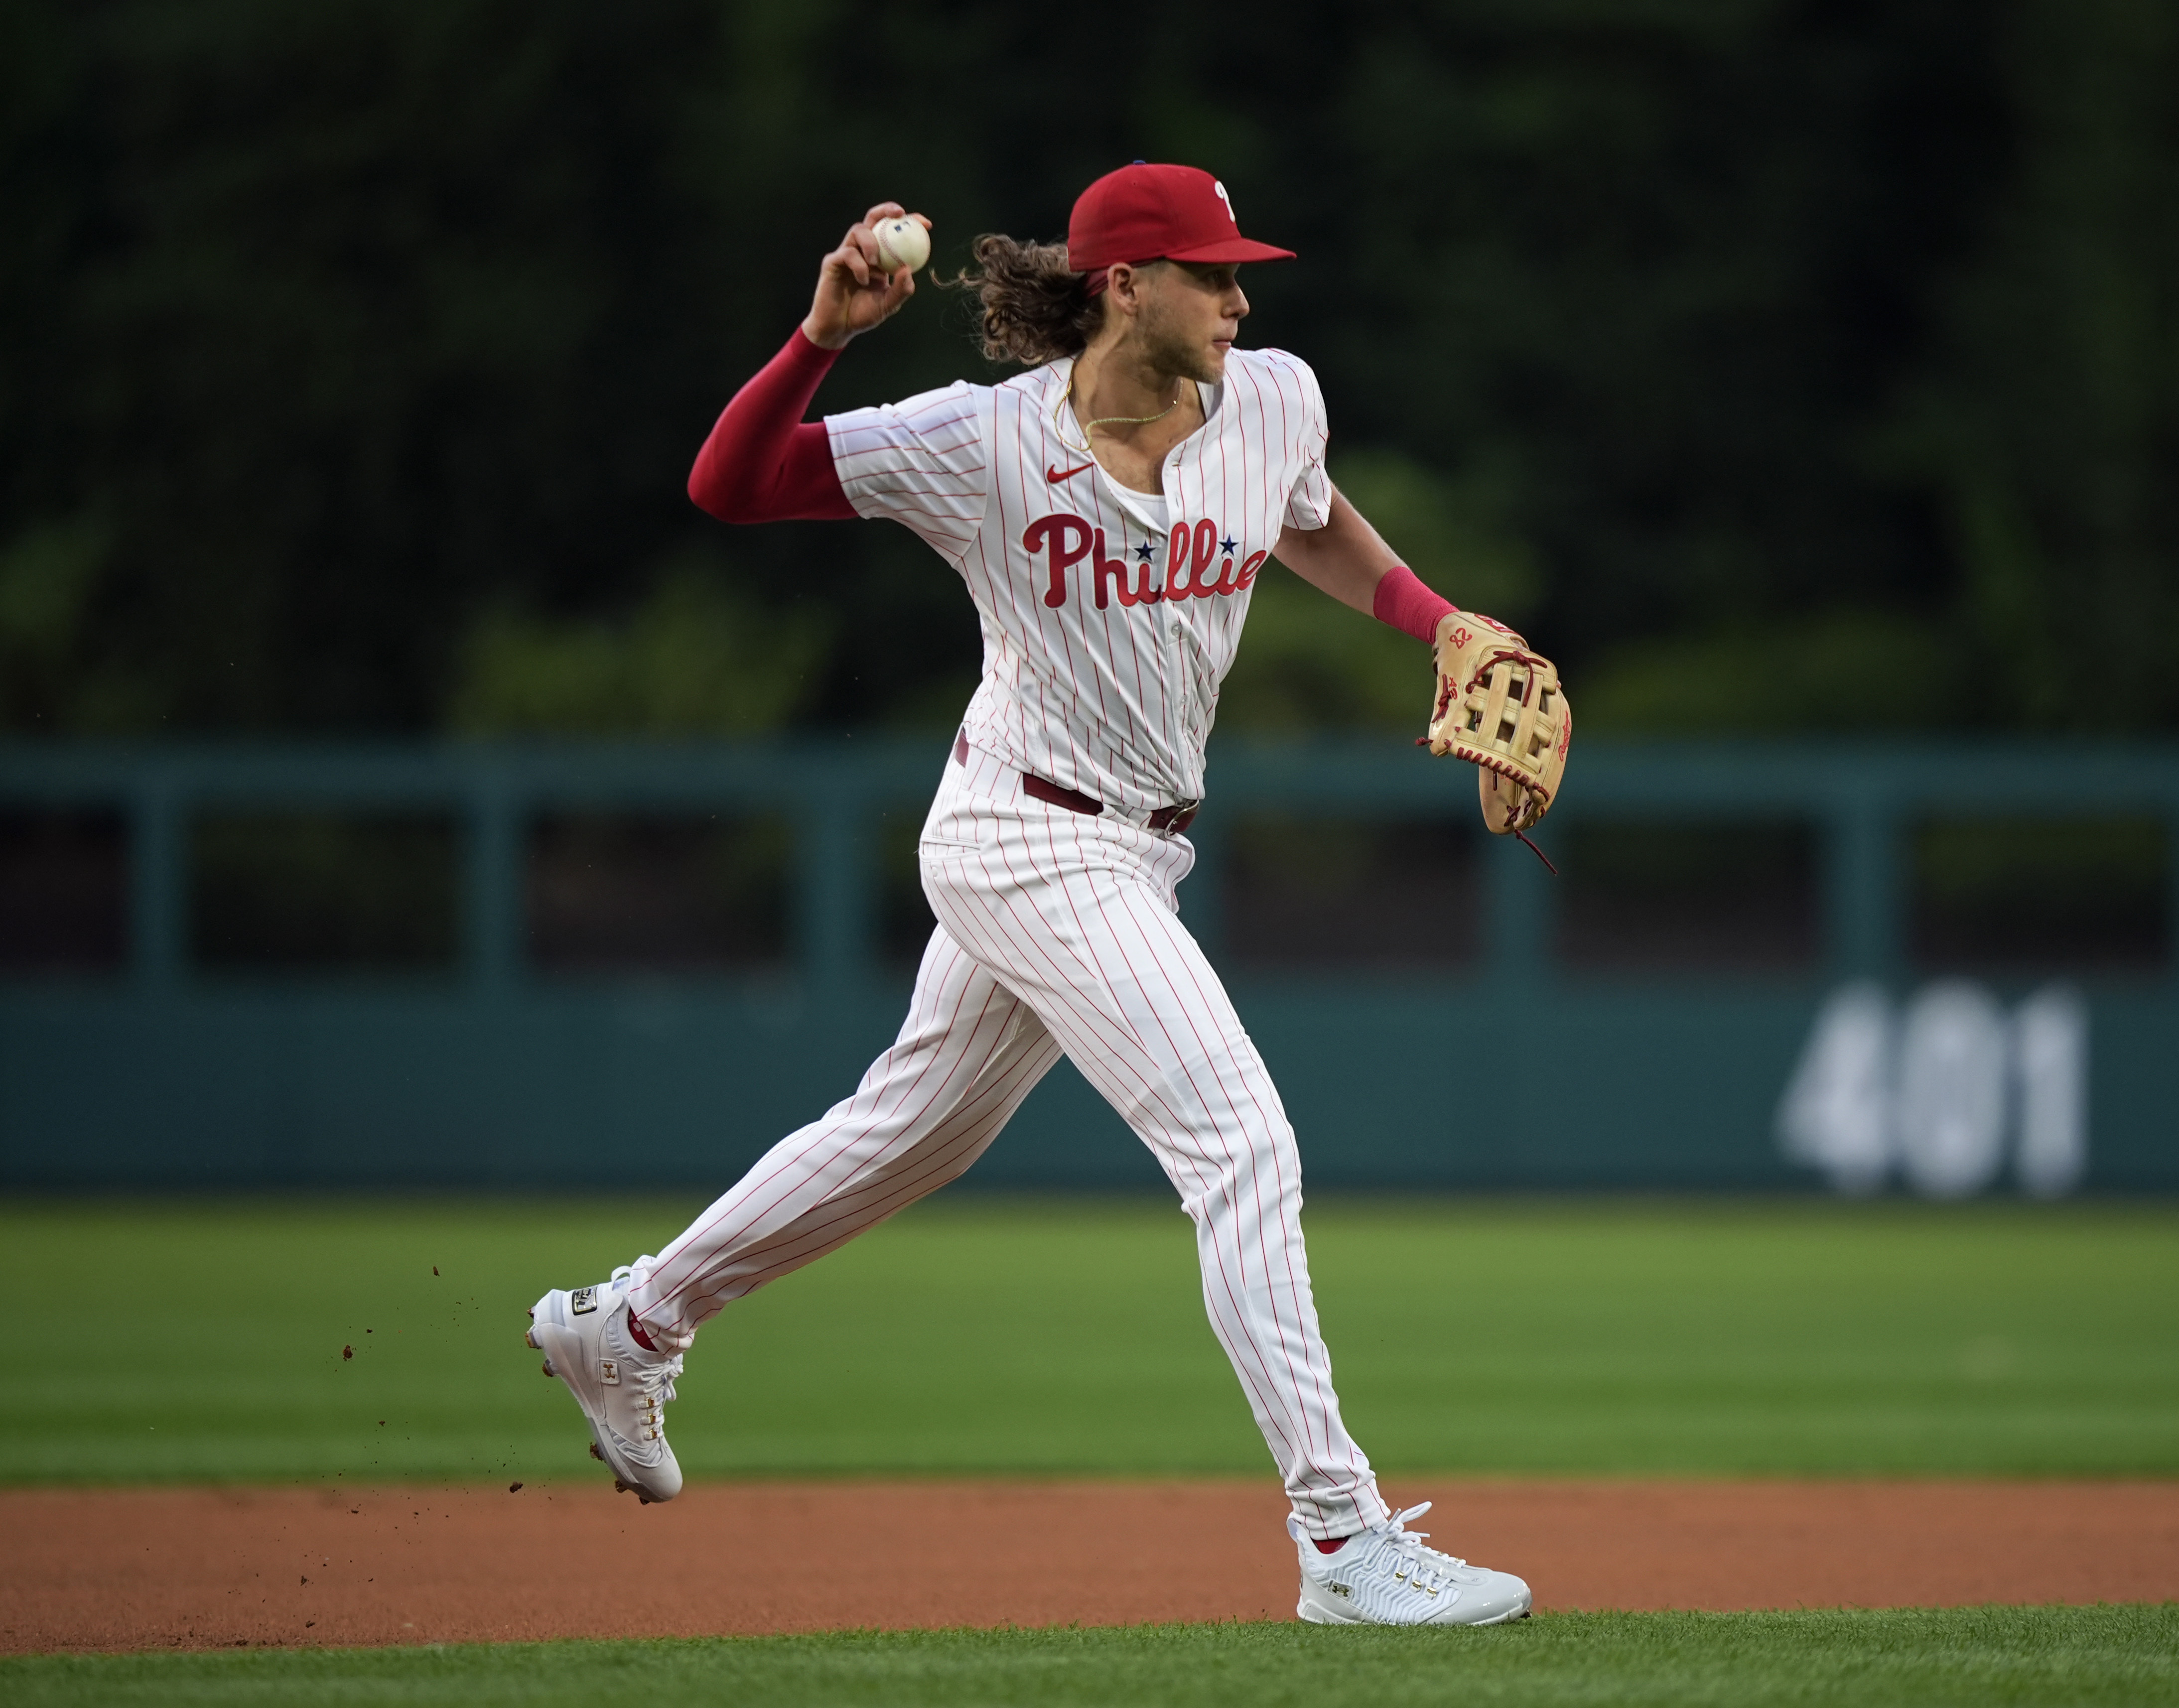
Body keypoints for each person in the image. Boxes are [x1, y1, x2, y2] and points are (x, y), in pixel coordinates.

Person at [525, 162, 1538, 1627]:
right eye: (1213, 272)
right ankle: (1341, 1540)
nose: (1242, 299)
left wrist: (1439, 623)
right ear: (1127, 285)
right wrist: (824, 337)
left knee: (910, 1134)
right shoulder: (978, 439)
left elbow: (1302, 519)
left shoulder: (1272, 397)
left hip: (1142, 848)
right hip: (1022, 832)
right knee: (1241, 1144)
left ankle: (630, 1324)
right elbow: (730, 486)